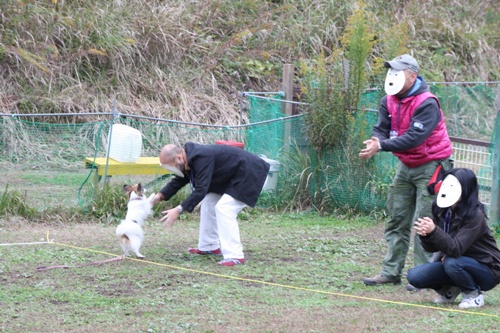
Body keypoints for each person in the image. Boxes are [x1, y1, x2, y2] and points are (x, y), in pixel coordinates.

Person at [359, 54, 453, 287]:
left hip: (432, 165)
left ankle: (423, 276)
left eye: (398, 72)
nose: (392, 76)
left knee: (425, 221)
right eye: (390, 72)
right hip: (407, 165)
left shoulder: (427, 103)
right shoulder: (388, 100)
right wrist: (375, 141)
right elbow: (381, 128)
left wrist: (381, 146)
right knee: (397, 217)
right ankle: (391, 272)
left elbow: (414, 138)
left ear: (412, 75)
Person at [152, 142, 270, 266]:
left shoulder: (201, 157)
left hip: (252, 174)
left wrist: (179, 209)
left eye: (171, 166)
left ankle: (235, 256)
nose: (172, 170)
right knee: (209, 202)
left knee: (224, 208)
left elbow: (201, 191)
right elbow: (179, 180)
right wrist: (158, 196)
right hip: (234, 177)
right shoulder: (189, 159)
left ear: (179, 158)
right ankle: (209, 246)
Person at [407, 168, 500, 308]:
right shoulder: (441, 209)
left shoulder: (476, 215)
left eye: (453, 186)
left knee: (452, 262)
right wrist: (426, 235)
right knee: (415, 276)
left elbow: (456, 249)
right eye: (446, 184)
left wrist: (434, 231)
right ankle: (452, 289)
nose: (447, 189)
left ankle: (473, 295)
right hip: (454, 262)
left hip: (487, 270)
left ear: (466, 189)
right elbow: (432, 248)